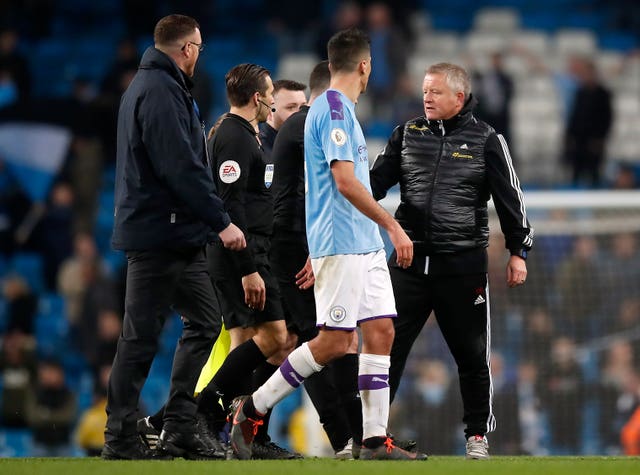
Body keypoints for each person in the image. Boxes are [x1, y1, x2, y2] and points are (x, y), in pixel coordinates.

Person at [228, 27, 427, 461]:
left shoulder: (343, 111)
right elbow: (343, 182)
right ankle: (253, 407)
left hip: (363, 243)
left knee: (381, 330)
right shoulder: (334, 111)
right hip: (340, 244)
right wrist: (392, 226)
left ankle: (374, 441)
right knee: (335, 342)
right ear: (364, 66)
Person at [369, 62, 533, 460]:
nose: (427, 97)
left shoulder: (487, 139)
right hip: (408, 263)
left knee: (472, 355)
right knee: (386, 350)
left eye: (436, 92)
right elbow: (372, 186)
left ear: (459, 97)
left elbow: (510, 199)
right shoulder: (405, 135)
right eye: (425, 91)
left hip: (462, 267)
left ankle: (477, 435)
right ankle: (372, 435)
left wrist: (518, 252)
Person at [103, 14, 245, 461]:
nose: (199, 56)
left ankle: (180, 425)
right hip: (158, 233)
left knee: (205, 321)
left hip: (175, 232)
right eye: (198, 48)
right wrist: (221, 221)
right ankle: (120, 435)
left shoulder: (155, 87)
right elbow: (179, 167)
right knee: (140, 337)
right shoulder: (160, 91)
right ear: (186, 48)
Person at [195, 63, 301, 459]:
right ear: (258, 98)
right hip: (243, 254)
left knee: (245, 342)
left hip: (246, 251)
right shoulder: (235, 138)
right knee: (275, 338)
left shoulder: (238, 133)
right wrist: (249, 270)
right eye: (271, 93)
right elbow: (230, 205)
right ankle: (205, 410)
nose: (272, 101)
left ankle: (244, 437)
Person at [269, 61, 362, 458]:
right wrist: (312, 247)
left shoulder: (298, 127)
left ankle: (356, 435)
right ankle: (347, 437)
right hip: (300, 244)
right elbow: (312, 196)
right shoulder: (315, 124)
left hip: (299, 242)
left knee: (323, 339)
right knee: (320, 340)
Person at [258, 79, 307, 158]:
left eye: (303, 107)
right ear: (270, 109)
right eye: (290, 107)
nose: (300, 114)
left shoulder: (310, 143)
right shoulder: (257, 148)